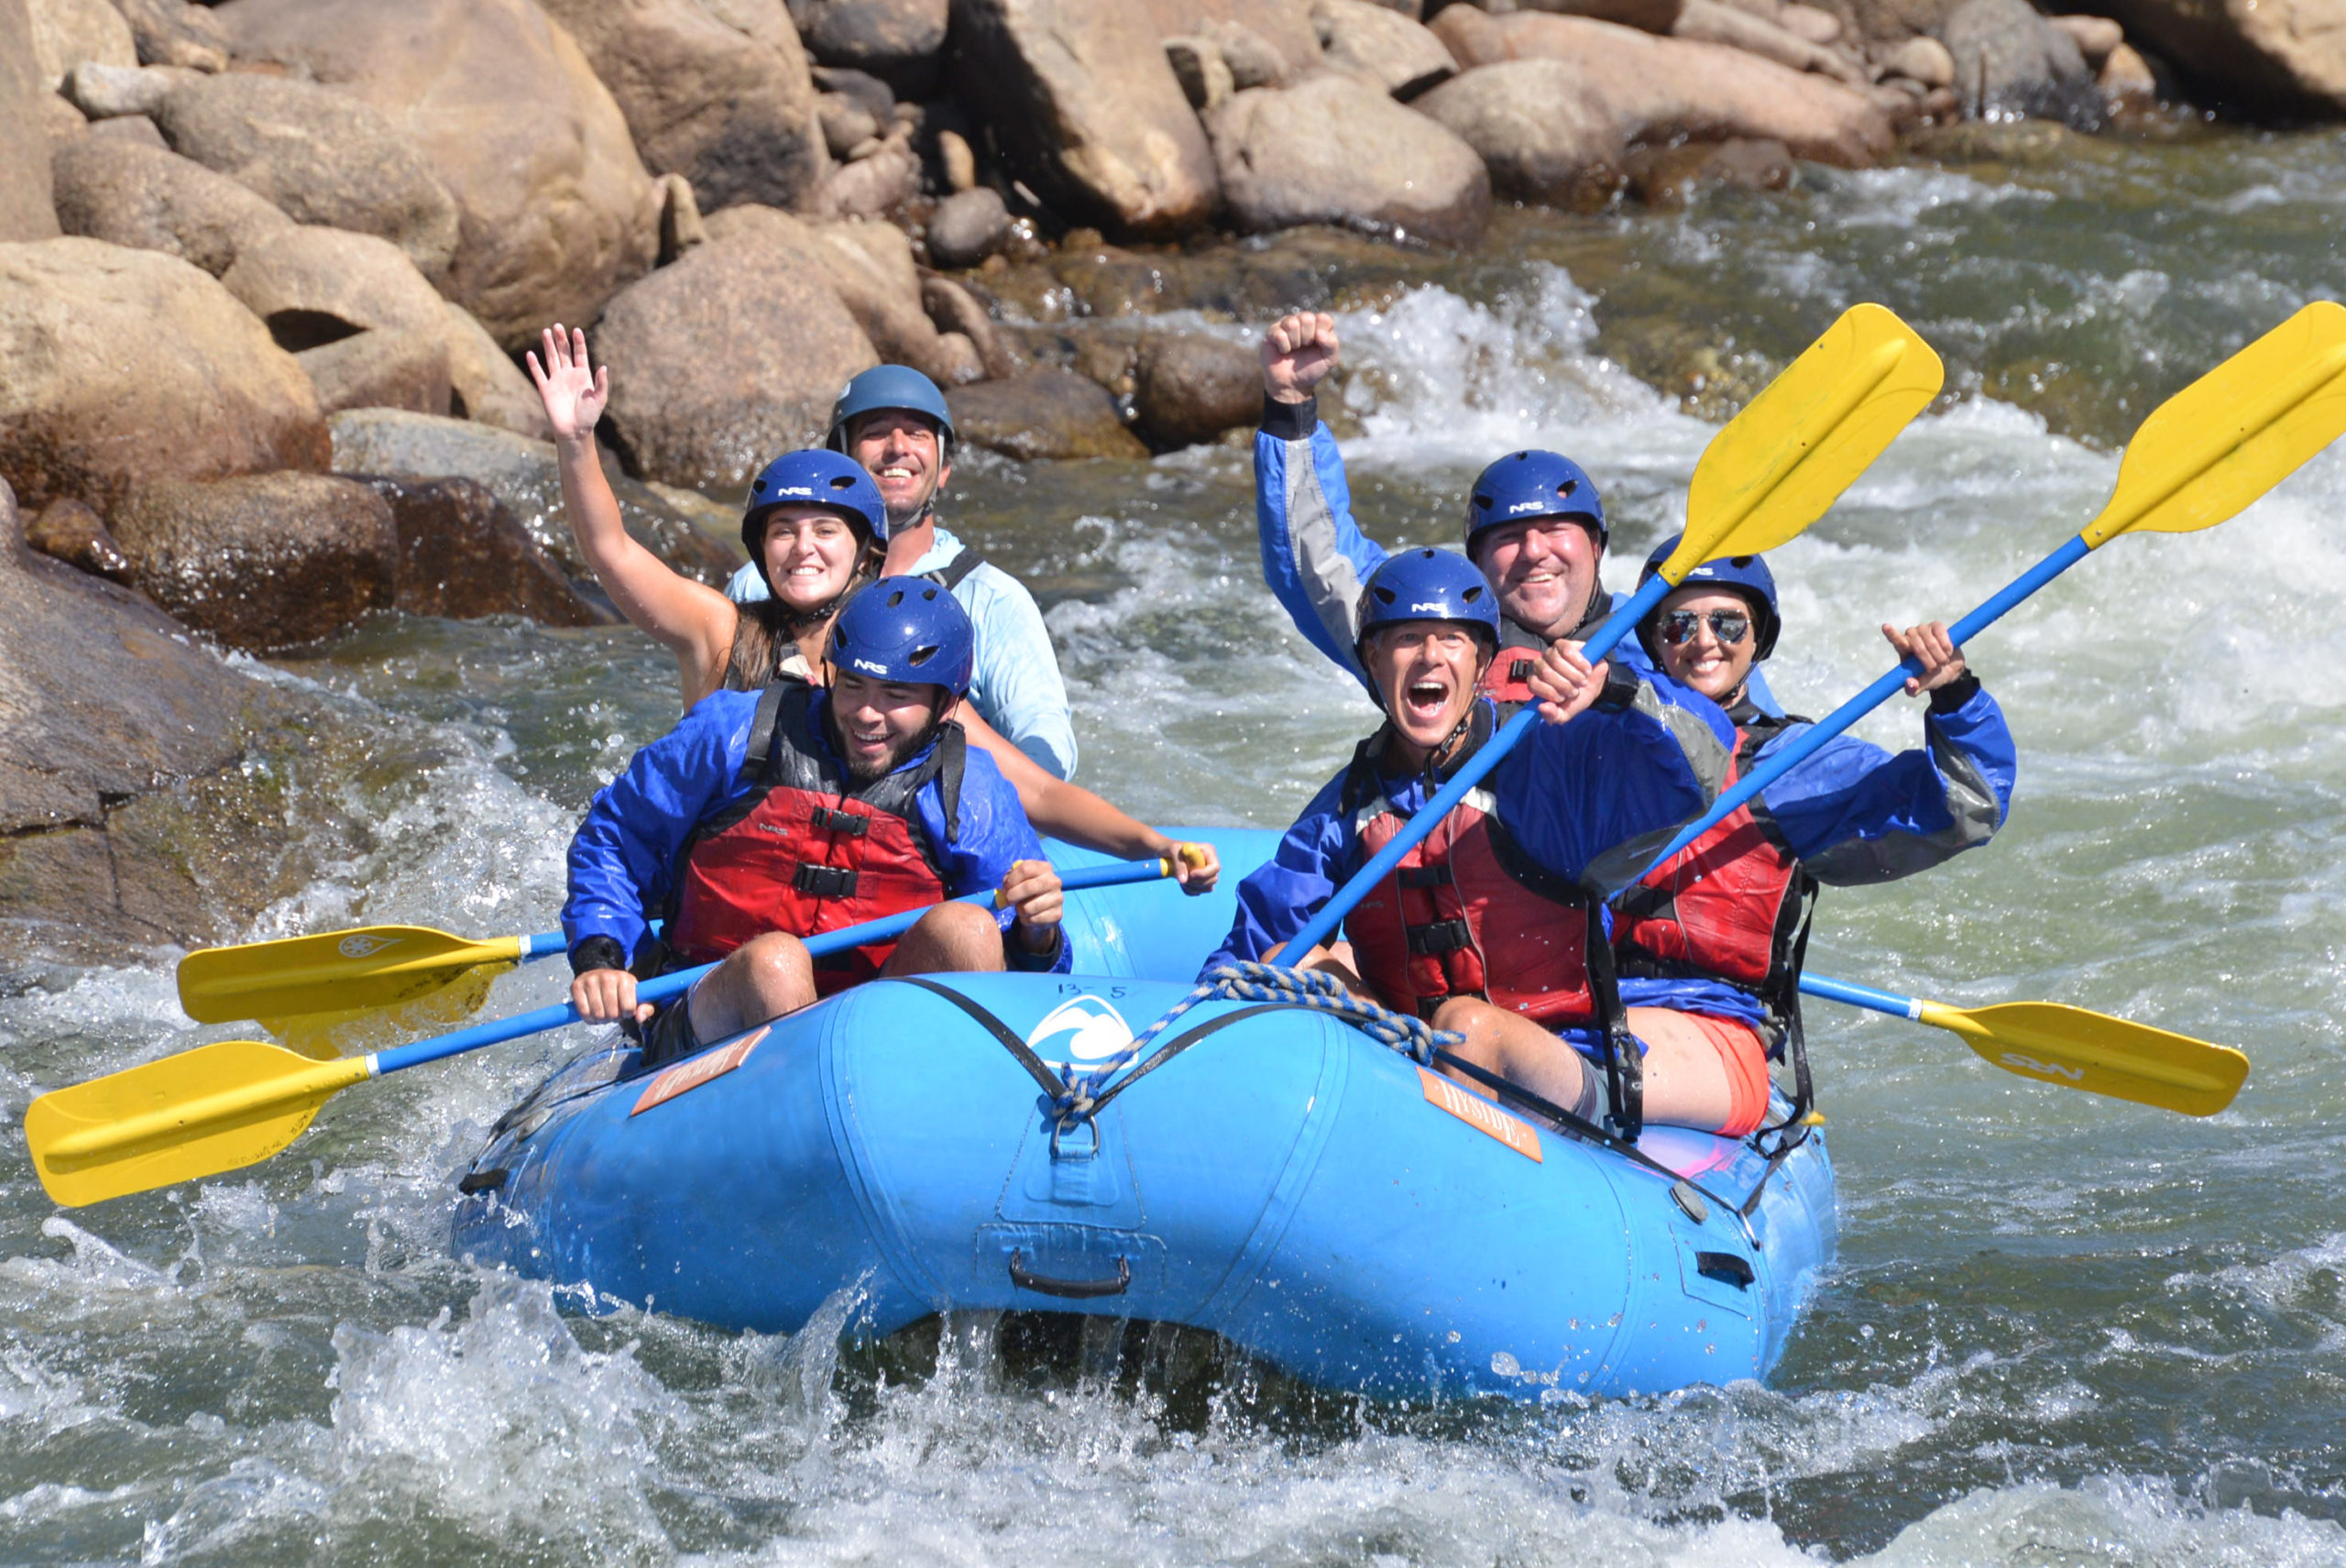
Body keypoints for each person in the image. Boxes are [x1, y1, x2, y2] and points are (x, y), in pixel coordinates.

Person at [527, 325, 1217, 894]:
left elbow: (1032, 786)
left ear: (865, 554)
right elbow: (612, 551)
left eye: (825, 533)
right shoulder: (720, 627)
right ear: (760, 548)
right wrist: (576, 440)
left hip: (847, 901)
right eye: (783, 532)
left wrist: (1151, 843)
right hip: (726, 899)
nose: (802, 550)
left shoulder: (905, 660)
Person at [1202, 548, 1739, 1132]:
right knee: (1295, 964)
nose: (1430, 657)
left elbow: (1701, 767)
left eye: (1451, 641)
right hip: (1411, 1058)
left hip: (1560, 1064)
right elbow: (1245, 961)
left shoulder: (1538, 762)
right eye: (1408, 638)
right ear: (1374, 662)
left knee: (1468, 1027)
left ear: (1483, 660)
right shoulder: (1348, 807)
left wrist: (1615, 691)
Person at [565, 578, 1071, 1068]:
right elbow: (615, 837)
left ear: (947, 703)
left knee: (969, 928)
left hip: (878, 1026)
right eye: (852, 684)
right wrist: (603, 957)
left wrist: (1037, 935)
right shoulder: (734, 732)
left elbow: (1029, 967)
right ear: (829, 673)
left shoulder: (970, 788)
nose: (867, 714)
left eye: (897, 695)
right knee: (776, 964)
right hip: (713, 1009)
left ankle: (942, 1115)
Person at [1605, 536, 2018, 1135]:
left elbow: (1965, 805)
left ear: (1759, 638)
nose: (1703, 641)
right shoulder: (1602, 740)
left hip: (1714, 1022)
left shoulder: (1790, 764)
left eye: (1727, 622)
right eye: (1679, 625)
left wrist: (1953, 693)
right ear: (1653, 639)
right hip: (1592, 1001)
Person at [1252, 311, 1781, 715]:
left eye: (1554, 530)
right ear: (1476, 562)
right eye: (1508, 537)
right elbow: (1318, 564)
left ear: (1596, 548)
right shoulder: (1435, 641)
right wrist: (1292, 406)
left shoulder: (1678, 637)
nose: (1534, 552)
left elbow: (1753, 751)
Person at [725, 364, 1079, 782]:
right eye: (876, 431)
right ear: (841, 460)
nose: (897, 447)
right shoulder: (764, 579)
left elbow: (1044, 739)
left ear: (944, 468)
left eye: (917, 434)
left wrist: (1025, 806)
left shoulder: (993, 598)